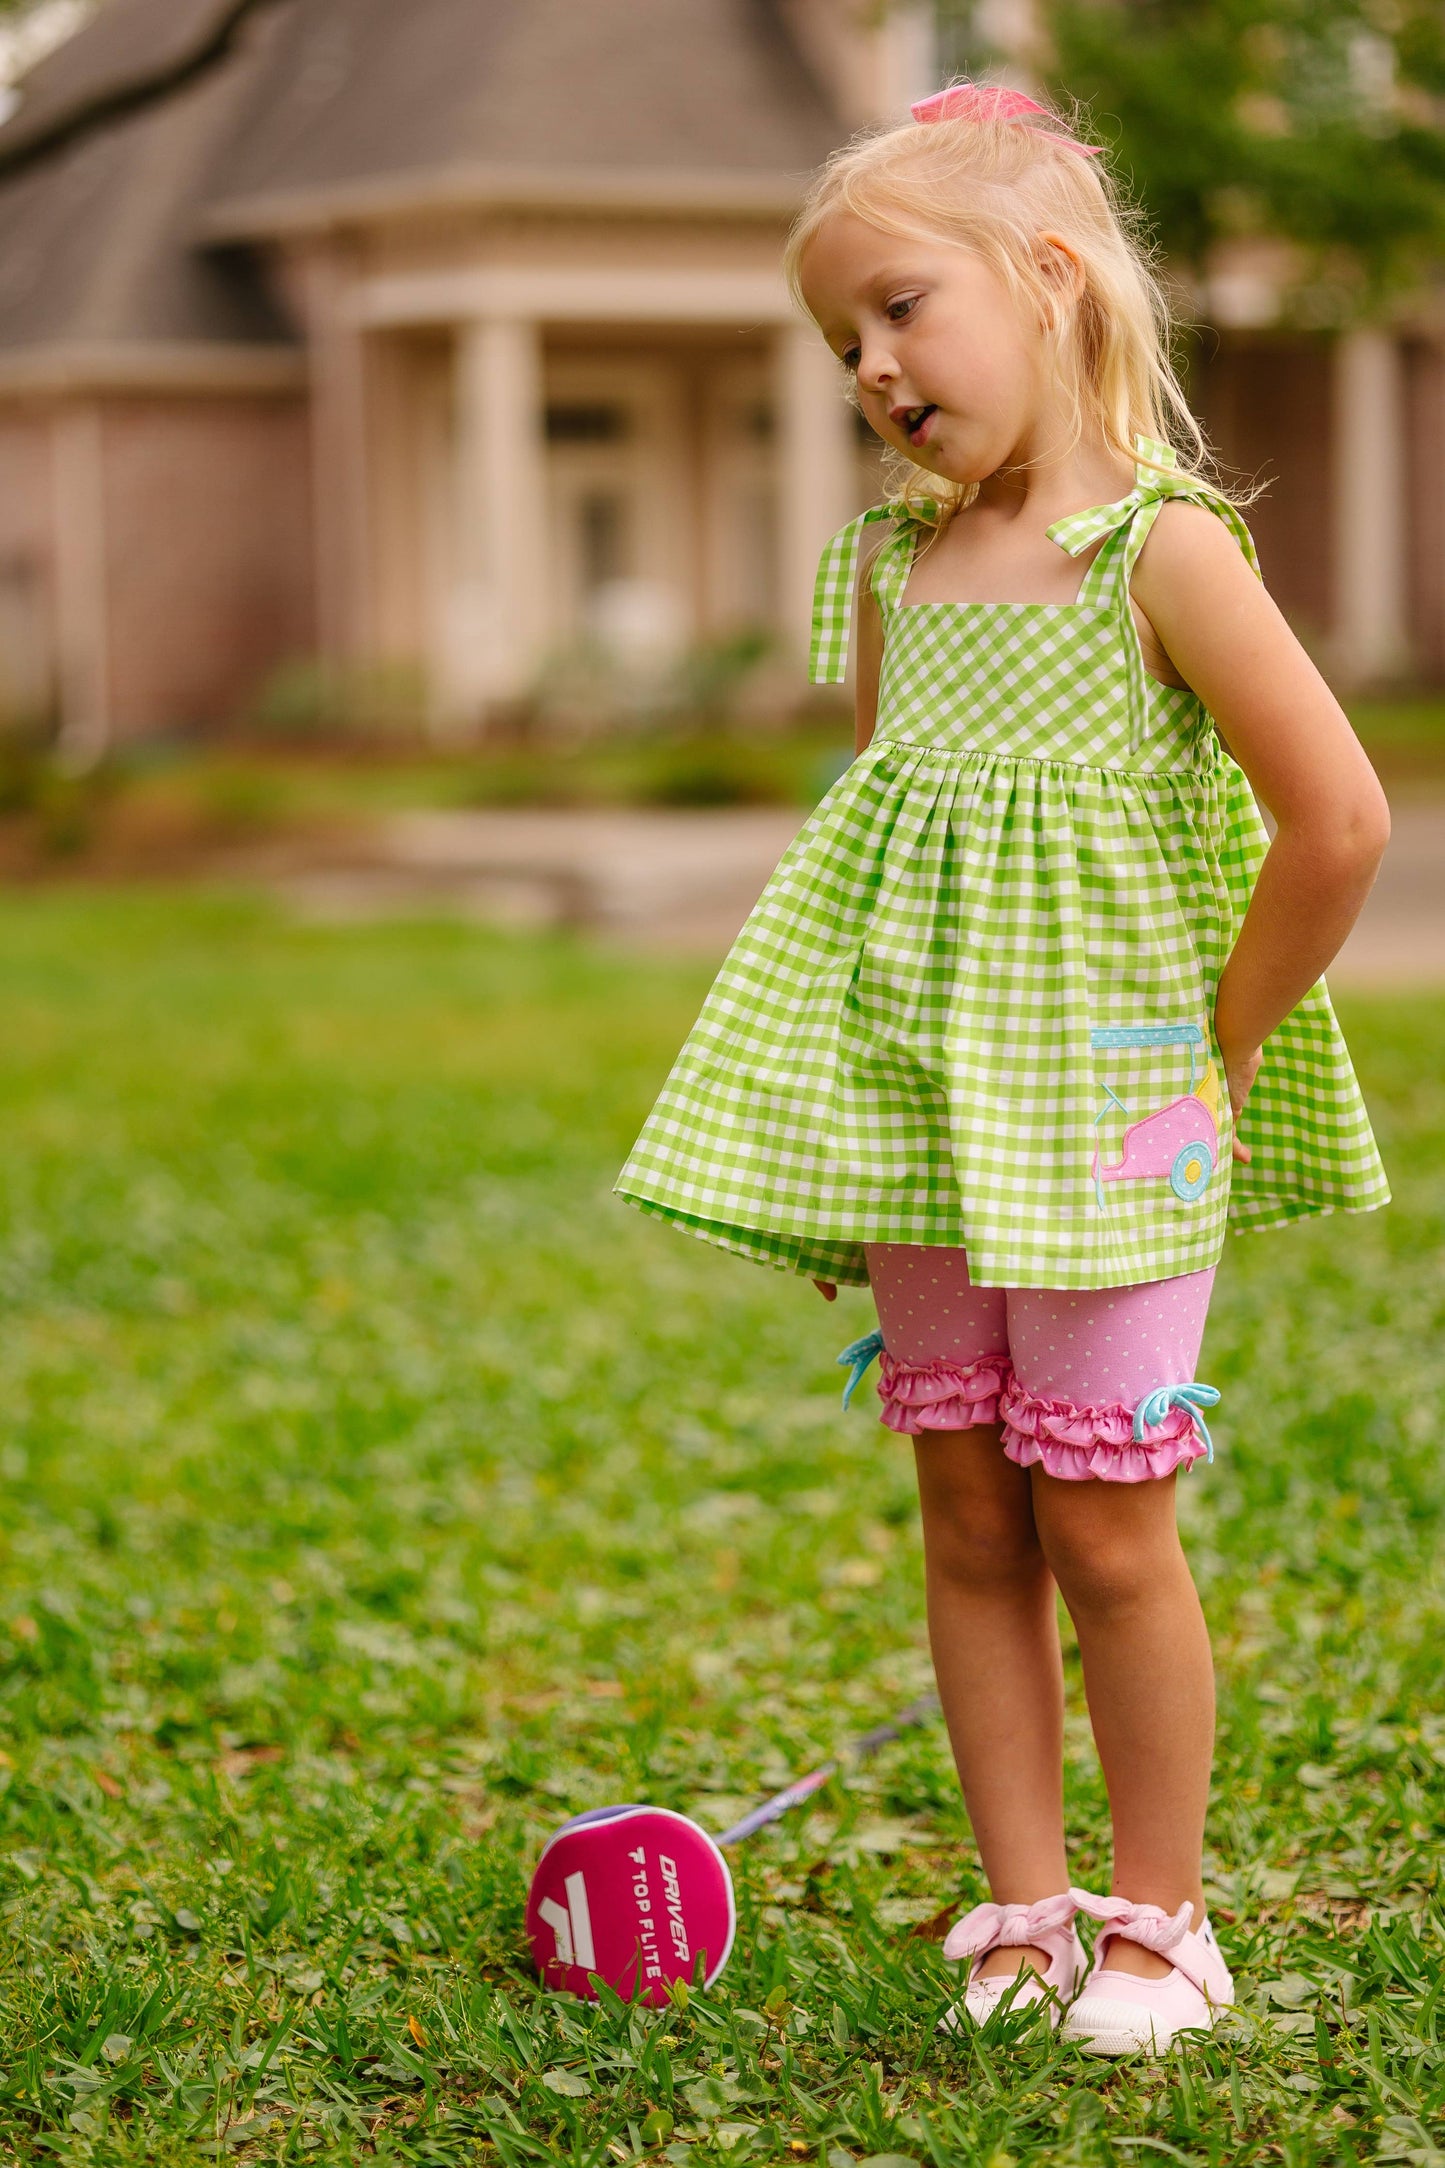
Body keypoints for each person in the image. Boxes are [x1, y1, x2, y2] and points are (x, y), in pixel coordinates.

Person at [614, 81, 1390, 2054]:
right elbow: (871, 873)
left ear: (1045, 282)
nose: (872, 367)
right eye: (841, 342)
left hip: (1115, 1111)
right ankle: (1024, 1908)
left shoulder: (1164, 552)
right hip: (933, 1136)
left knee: (1105, 1521)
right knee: (967, 1509)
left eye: (899, 309)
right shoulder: (896, 568)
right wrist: (836, 1157)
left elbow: (1342, 823)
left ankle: (1160, 1923)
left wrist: (1207, 1060)